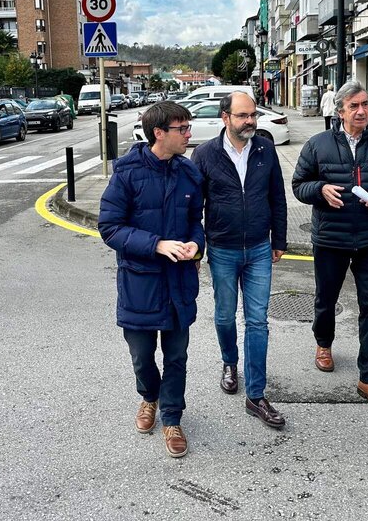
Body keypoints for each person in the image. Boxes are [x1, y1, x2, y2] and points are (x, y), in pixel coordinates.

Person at [292, 79, 368, 415]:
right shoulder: (317, 145)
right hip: (331, 238)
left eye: (365, 105)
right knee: (325, 299)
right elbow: (299, 184)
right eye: (354, 106)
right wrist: (319, 190)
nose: (361, 111)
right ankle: (324, 343)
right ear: (340, 110)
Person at [98, 101, 204, 459]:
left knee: (176, 356)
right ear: (159, 133)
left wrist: (196, 245)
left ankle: (172, 417)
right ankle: (149, 398)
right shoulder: (127, 173)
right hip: (140, 284)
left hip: (179, 283)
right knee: (142, 355)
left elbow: (194, 222)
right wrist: (156, 244)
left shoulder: (189, 173)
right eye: (182, 129)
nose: (189, 134)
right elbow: (109, 227)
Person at [191, 91, 288, 429]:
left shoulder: (265, 148)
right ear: (225, 118)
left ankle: (256, 394)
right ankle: (230, 362)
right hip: (222, 248)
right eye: (243, 116)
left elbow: (277, 194)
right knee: (223, 314)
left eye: (253, 115)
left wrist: (281, 239)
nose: (250, 121)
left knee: (258, 321)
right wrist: (197, 247)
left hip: (260, 247)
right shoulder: (204, 154)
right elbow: (193, 208)